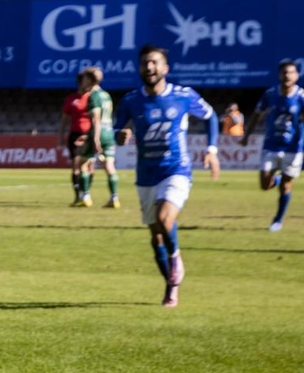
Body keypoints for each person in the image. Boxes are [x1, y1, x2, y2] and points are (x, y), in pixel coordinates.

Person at [112, 45, 221, 307]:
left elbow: (211, 116)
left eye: (154, 63)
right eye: (144, 63)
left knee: (164, 218)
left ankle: (176, 256)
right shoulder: (130, 100)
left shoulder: (184, 96)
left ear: (165, 68)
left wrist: (212, 150)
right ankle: (171, 287)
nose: (149, 67)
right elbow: (117, 130)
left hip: (176, 170)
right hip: (146, 174)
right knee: (155, 235)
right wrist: (120, 135)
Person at [242, 60, 304, 232]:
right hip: (271, 146)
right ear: (279, 75)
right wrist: (246, 135)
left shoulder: (302, 97)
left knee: (286, 185)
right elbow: (257, 115)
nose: (287, 75)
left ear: (297, 75)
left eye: (291, 72)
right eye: (284, 72)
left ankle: (277, 220)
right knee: (264, 185)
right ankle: (275, 179)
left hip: (293, 148)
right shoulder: (270, 94)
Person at [79, 67, 120, 208]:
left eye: (84, 79)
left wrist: (95, 138)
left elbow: (96, 119)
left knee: (83, 164)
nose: (82, 82)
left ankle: (85, 196)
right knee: (109, 165)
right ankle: (114, 198)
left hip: (99, 132)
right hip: (109, 132)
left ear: (90, 80)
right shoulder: (106, 95)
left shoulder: (93, 96)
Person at [59, 74, 94, 206]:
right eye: (86, 81)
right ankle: (78, 196)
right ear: (80, 83)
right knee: (75, 165)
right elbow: (64, 120)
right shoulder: (71, 99)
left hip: (89, 135)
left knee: (90, 166)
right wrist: (60, 137)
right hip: (74, 136)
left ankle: (86, 193)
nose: (89, 84)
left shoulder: (92, 98)